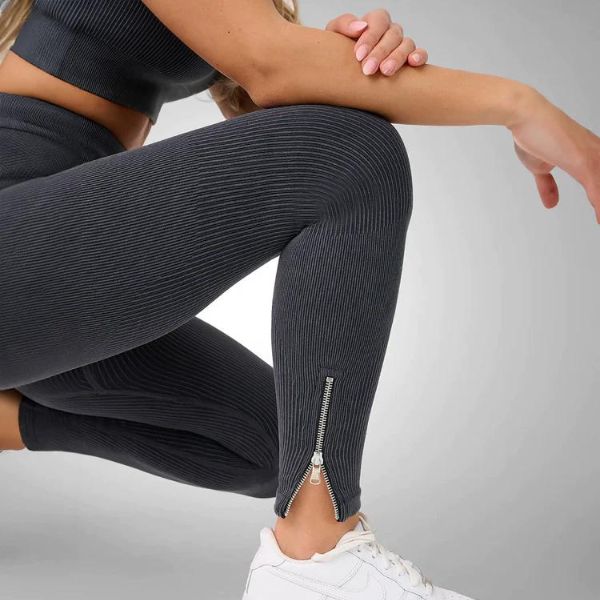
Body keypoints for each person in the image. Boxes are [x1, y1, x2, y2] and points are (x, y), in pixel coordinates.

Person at [0, 1, 598, 599]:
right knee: (348, 151)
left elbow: (278, 96)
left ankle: (11, 419)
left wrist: (340, 57)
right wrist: (522, 105)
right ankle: (315, 559)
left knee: (272, 442)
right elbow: (275, 70)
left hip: (47, 281)